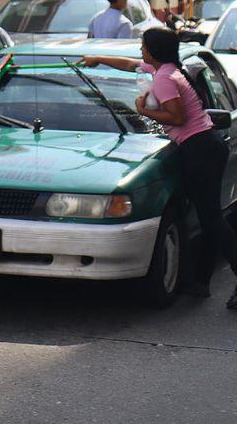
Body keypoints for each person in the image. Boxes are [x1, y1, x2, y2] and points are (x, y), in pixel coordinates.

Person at [83, 27, 237, 308]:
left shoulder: (164, 78)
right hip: (205, 145)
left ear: (153, 49)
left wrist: (143, 111)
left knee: (212, 219)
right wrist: (98, 59)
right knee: (208, 217)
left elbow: (176, 117)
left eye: (143, 45)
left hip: (199, 148)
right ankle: (201, 282)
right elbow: (130, 65)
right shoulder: (166, 68)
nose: (141, 49)